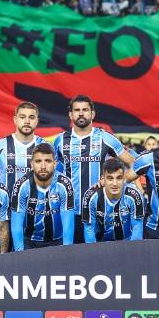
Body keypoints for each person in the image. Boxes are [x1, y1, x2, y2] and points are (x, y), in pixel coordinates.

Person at [53, 95, 136, 243]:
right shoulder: (60, 140)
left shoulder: (106, 138)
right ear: (70, 115)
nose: (81, 113)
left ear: (92, 114)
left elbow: (135, 164)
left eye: (85, 110)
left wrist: (116, 182)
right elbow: (54, 171)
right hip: (69, 211)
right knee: (70, 258)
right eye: (77, 110)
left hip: (100, 211)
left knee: (99, 260)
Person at [10, 144, 75, 250]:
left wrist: (66, 251)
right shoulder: (21, 185)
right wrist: (19, 254)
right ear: (32, 164)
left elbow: (68, 224)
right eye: (38, 161)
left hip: (58, 241)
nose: (43, 166)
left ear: (55, 164)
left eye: (48, 161)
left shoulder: (64, 184)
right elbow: (17, 225)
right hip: (30, 242)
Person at [0, 101, 54, 198]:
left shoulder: (47, 147)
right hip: (6, 210)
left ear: (37, 121)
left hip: (38, 210)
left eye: (31, 117)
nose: (27, 121)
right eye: (22, 117)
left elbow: (55, 180)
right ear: (15, 119)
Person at [83, 158, 145, 242]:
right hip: (101, 244)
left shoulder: (134, 195)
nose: (114, 183)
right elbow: (89, 229)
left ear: (124, 179)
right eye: (110, 178)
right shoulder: (91, 197)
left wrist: (133, 252)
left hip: (128, 243)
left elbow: (137, 227)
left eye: (119, 178)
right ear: (103, 179)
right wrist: (94, 252)